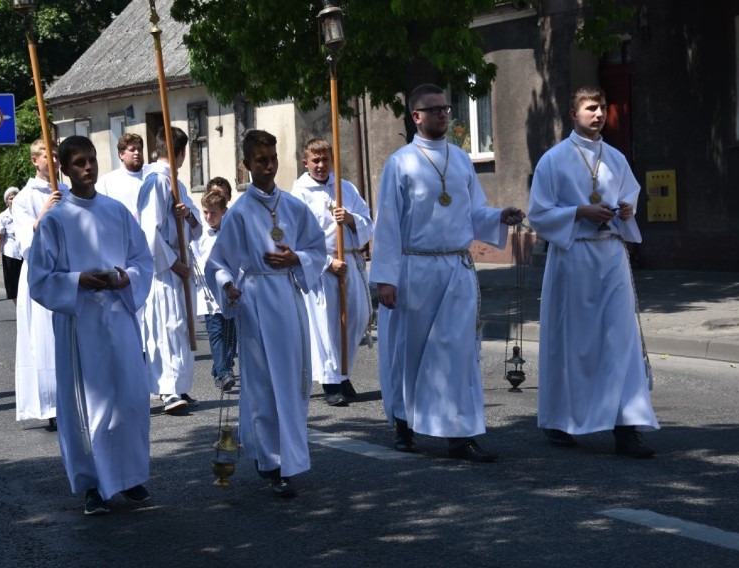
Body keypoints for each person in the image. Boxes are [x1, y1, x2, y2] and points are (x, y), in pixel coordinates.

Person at [370, 83, 525, 463]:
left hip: (456, 268)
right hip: (414, 270)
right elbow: (387, 223)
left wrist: (498, 217)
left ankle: (461, 435)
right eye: (433, 109)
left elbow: (474, 212)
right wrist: (385, 278)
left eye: (446, 108)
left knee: (458, 353)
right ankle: (405, 424)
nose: (443, 114)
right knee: (413, 351)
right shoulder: (400, 163)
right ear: (415, 116)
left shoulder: (460, 160)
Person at [528, 86, 659, 458]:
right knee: (572, 340)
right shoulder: (553, 160)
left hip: (611, 255)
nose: (598, 114)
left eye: (601, 108)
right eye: (590, 108)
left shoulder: (615, 157)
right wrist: (579, 213)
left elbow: (630, 195)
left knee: (622, 339)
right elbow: (538, 213)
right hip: (573, 257)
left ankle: (627, 426)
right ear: (573, 114)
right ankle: (559, 420)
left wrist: (628, 210)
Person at [28, 135, 155, 515]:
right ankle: (93, 485)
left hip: (118, 315)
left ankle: (131, 477)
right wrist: (77, 281)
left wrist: (126, 276)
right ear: (64, 169)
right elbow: (40, 279)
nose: (88, 167)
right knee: (89, 406)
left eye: (92, 160)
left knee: (130, 399)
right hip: (80, 323)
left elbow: (142, 260)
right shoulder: (55, 219)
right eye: (79, 162)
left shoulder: (116, 211)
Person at [205, 129, 326, 498]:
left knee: (292, 379)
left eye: (273, 158)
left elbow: (317, 248)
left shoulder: (293, 206)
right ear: (247, 165)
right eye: (261, 160)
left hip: (288, 297)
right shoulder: (239, 212)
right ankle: (271, 462)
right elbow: (218, 263)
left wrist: (297, 259)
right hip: (256, 302)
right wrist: (227, 285)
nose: (269, 166)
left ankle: (289, 455)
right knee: (262, 384)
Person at [291, 138, 374, 406]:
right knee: (325, 325)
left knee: (356, 318)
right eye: (315, 160)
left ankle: (343, 370)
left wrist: (350, 219)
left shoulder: (345, 187)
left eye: (325, 159)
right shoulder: (299, 194)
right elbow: (296, 237)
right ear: (306, 163)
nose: (321, 165)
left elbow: (367, 221)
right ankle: (330, 381)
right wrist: (328, 263)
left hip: (349, 260)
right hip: (321, 267)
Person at [137, 126, 203, 414]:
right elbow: (149, 231)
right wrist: (172, 262)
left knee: (181, 326)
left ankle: (179, 384)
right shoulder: (155, 182)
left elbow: (195, 222)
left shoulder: (177, 183)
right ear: (182, 153)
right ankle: (167, 390)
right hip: (164, 268)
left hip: (179, 263)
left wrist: (186, 214)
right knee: (165, 326)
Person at [13, 139, 69, 431]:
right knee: (45, 339)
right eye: (48, 154)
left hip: (70, 271)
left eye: (58, 154)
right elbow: (26, 242)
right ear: (35, 160)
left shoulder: (68, 191)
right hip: (41, 273)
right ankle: (52, 405)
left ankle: (76, 398)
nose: (55, 159)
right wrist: (46, 210)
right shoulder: (24, 198)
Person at [192, 185, 237, 391]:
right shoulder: (199, 233)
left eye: (214, 213)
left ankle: (221, 367)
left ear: (224, 212)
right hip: (209, 291)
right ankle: (224, 373)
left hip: (228, 289)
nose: (209, 217)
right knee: (216, 332)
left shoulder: (230, 232)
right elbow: (195, 257)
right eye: (206, 212)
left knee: (230, 333)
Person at [96, 133, 147, 219]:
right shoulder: (107, 182)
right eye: (132, 150)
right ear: (121, 155)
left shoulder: (150, 178)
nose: (137, 153)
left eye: (139, 149)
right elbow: (100, 212)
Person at [0, 187, 24, 305]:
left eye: (16, 196)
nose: (14, 199)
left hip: (25, 252)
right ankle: (18, 308)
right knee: (13, 285)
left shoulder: (25, 213)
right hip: (10, 253)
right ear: (7, 201)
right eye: (11, 198)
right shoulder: (3, 216)